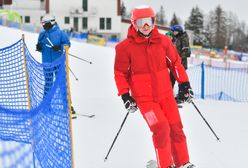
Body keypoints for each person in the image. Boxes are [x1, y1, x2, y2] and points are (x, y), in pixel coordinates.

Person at [114, 6, 195, 168]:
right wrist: (125, 95)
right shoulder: (124, 48)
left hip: (166, 96)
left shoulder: (164, 42)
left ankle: (183, 163)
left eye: (149, 22)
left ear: (154, 22)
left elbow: (176, 64)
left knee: (176, 127)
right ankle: (165, 164)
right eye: (141, 22)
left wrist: (184, 85)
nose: (146, 26)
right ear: (133, 23)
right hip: (145, 100)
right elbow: (120, 73)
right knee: (161, 128)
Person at [36, 14, 77, 119]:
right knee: (48, 84)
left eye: (44, 23)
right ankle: (46, 106)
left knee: (62, 83)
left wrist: (60, 47)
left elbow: (67, 44)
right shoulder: (42, 34)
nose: (43, 25)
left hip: (58, 62)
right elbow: (40, 46)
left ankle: (67, 106)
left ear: (51, 22)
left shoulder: (60, 33)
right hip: (47, 63)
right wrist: (39, 47)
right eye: (42, 23)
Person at [169, 25, 191, 103]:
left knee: (180, 80)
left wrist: (179, 60)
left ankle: (182, 97)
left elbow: (186, 51)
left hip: (180, 64)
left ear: (179, 31)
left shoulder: (184, 38)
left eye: (175, 31)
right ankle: (168, 96)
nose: (173, 33)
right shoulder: (175, 38)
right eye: (173, 31)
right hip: (174, 64)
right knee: (170, 79)